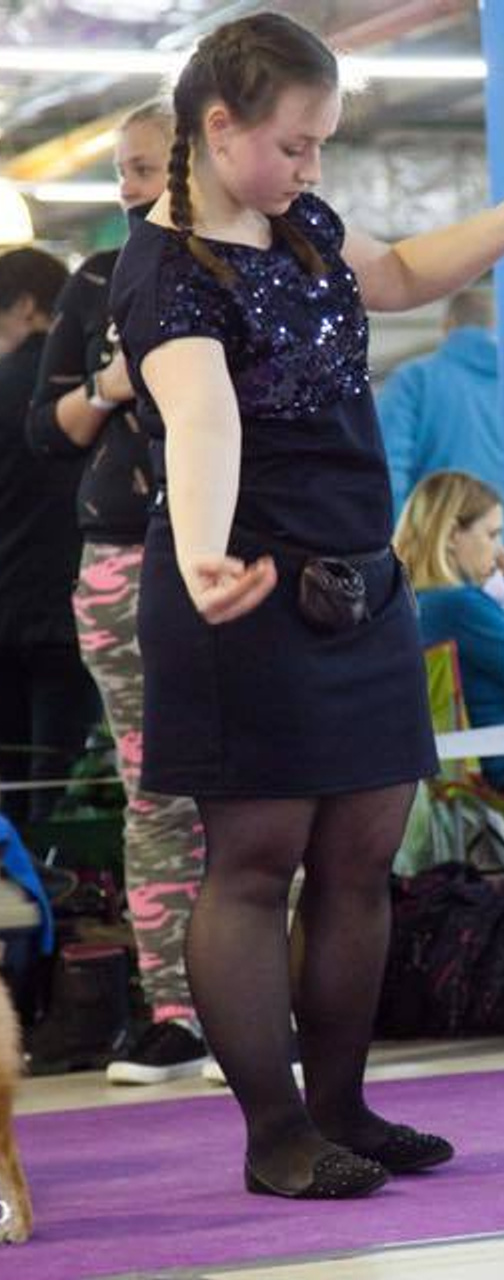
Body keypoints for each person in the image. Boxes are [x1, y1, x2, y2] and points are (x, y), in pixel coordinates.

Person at [109, 12, 504, 1198]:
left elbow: (403, 272)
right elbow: (204, 420)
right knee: (253, 864)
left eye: (322, 144)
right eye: (294, 144)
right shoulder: (159, 271)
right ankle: (274, 1133)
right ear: (217, 130)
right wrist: (209, 551)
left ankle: (343, 1107)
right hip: (244, 590)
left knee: (362, 858)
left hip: (360, 581)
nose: (312, 167)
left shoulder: (301, 223)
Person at [25, 100, 211, 1086]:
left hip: (230, 553)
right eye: (125, 172)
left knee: (253, 788)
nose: (133, 190)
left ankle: (253, 1002)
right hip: (121, 554)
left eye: (148, 170)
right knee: (155, 794)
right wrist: (112, 386)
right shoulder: (100, 276)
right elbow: (46, 431)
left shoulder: (247, 258)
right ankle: (174, 1008)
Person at [0, 247, 99, 830]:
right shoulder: (94, 393)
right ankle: (62, 902)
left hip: (4, 612)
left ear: (28, 306)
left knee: (9, 788)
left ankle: (15, 911)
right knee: (64, 794)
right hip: (74, 612)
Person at [394, 471, 504, 792]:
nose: (501, 551)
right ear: (451, 536)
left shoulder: (416, 606)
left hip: (451, 780)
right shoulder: (459, 607)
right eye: (493, 535)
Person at [378, 287, 501, 517]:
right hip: (503, 544)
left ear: (448, 325)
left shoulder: (414, 380)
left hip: (434, 541)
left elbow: (387, 473)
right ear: (494, 327)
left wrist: (403, 541)